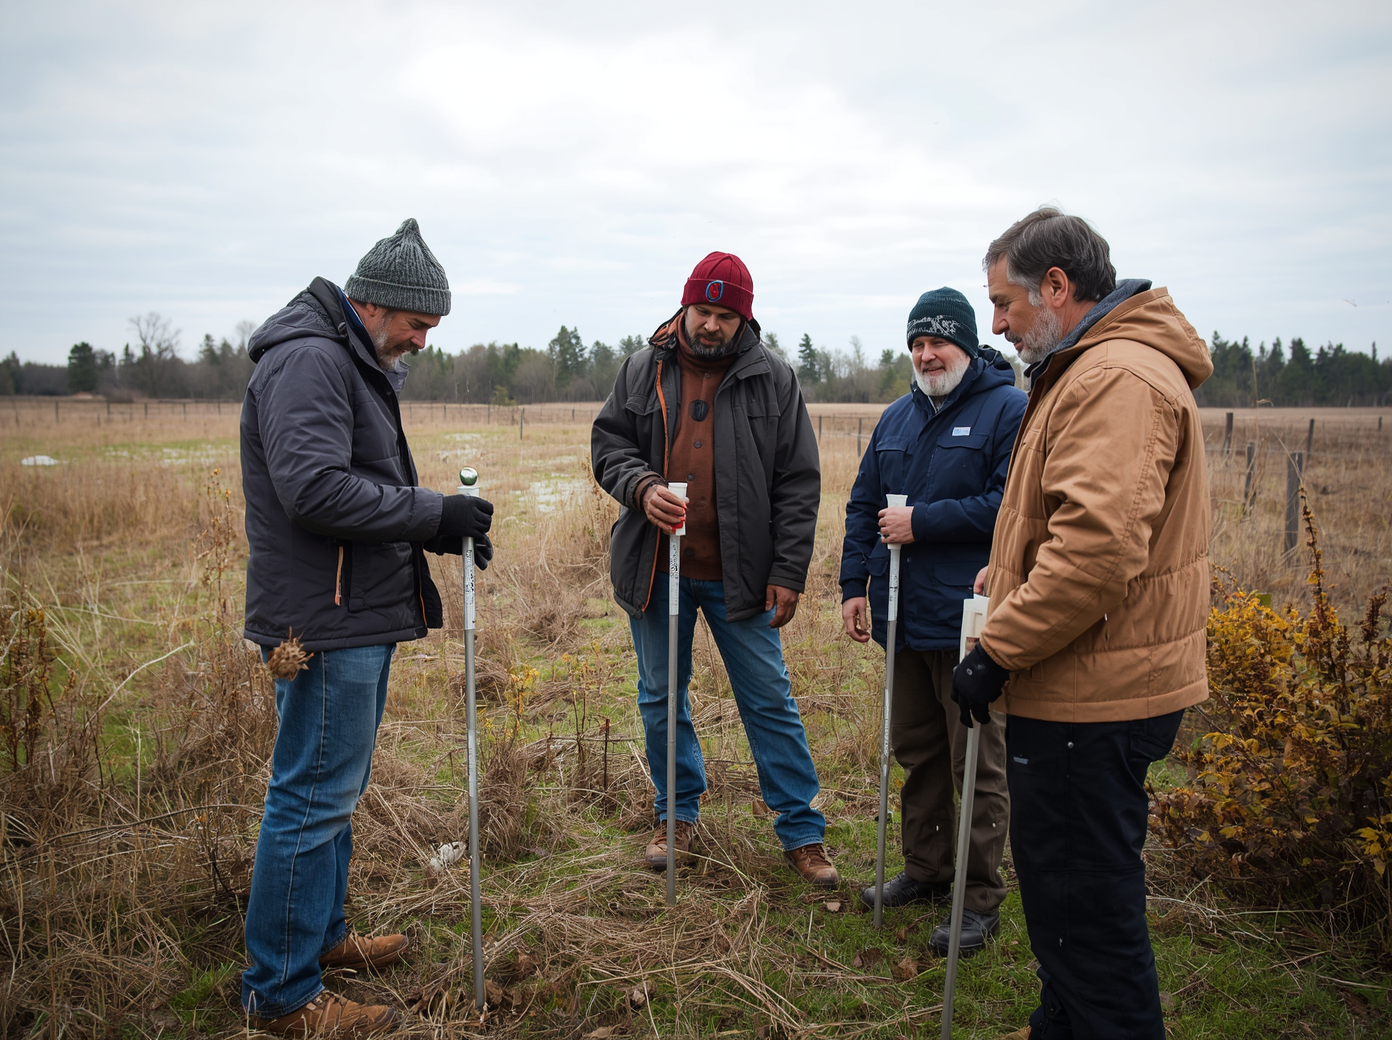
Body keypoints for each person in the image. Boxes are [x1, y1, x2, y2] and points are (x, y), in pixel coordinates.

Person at [951, 207, 1212, 1040]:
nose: (995, 323)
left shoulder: (1114, 379)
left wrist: (997, 650)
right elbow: (1078, 523)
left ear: (1056, 287)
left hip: (1092, 698)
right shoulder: (1090, 368)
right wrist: (1014, 567)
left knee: (1089, 919)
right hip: (1089, 680)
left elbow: (1097, 552)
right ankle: (1059, 1020)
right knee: (1069, 902)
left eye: (1003, 303)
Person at [239, 219, 495, 1035]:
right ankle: (281, 993)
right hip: (325, 620)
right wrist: (431, 514)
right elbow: (312, 488)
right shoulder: (311, 359)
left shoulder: (348, 357)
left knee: (332, 792)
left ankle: (323, 939)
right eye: (419, 325)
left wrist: (439, 525)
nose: (422, 341)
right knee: (311, 798)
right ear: (375, 304)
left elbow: (355, 483)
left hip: (351, 610)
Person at [591, 252, 836, 886]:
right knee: (659, 699)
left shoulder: (773, 379)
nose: (711, 325)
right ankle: (676, 818)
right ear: (685, 306)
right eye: (703, 310)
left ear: (743, 318)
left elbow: (798, 482)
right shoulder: (643, 369)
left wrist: (788, 570)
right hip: (656, 568)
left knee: (768, 700)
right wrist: (642, 487)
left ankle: (802, 832)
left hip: (743, 575)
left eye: (726, 316)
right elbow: (608, 445)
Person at [839, 287, 1025, 954]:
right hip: (900, 619)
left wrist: (922, 523)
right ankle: (926, 868)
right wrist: (851, 587)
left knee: (976, 761)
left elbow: (1012, 506)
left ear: (968, 346)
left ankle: (978, 901)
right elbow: (864, 506)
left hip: (969, 622)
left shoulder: (1009, 410)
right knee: (917, 752)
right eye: (916, 344)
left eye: (937, 342)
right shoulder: (894, 418)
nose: (925, 354)